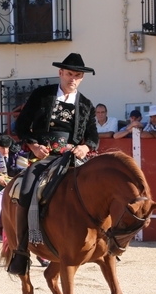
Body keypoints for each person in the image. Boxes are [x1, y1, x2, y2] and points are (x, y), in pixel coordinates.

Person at [10, 52, 99, 275]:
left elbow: (93, 137)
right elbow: (20, 126)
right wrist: (33, 146)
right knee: (27, 189)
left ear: (82, 78)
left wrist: (85, 147)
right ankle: (21, 251)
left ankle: (107, 243)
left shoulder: (86, 104)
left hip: (72, 158)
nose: (73, 79)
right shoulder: (41, 95)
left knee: (99, 192)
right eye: (69, 74)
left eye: (78, 75)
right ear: (60, 73)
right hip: (44, 156)